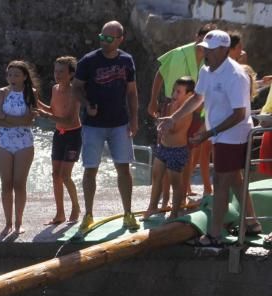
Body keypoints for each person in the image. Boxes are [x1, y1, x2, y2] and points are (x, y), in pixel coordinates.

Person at [159, 29, 256, 246]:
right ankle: (252, 223)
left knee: (221, 181)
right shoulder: (206, 69)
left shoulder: (235, 75)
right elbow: (197, 98)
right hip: (219, 134)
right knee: (236, 180)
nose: (205, 54)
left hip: (233, 135)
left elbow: (239, 113)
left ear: (223, 50)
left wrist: (209, 133)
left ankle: (214, 234)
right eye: (203, 49)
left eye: (210, 51)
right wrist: (173, 118)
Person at [73, 20, 139, 237]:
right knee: (90, 168)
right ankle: (89, 214)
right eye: (102, 36)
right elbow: (77, 88)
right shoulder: (88, 61)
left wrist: (134, 118)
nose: (104, 41)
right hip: (93, 125)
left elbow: (131, 92)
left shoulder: (127, 60)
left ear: (120, 39)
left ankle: (128, 212)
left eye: (109, 38)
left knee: (124, 168)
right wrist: (86, 105)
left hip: (119, 122)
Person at [148, 24, 215, 202]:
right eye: (202, 38)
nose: (204, 43)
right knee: (166, 150)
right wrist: (153, 99)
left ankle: (182, 195)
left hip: (197, 111)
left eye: (208, 40)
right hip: (171, 107)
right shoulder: (179, 52)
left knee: (188, 152)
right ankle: (164, 198)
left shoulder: (210, 60)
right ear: (196, 36)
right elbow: (160, 74)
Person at [0, 60, 39, 235]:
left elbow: (29, 120)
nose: (12, 78)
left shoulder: (30, 92)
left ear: (24, 77)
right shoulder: (2, 92)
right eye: (10, 74)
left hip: (24, 143)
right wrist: (15, 121)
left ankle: (19, 222)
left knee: (19, 184)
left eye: (16, 75)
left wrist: (6, 119)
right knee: (6, 184)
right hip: (4, 142)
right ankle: (8, 222)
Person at [37, 56, 82, 225]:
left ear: (71, 74)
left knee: (65, 175)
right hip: (59, 134)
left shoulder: (75, 92)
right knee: (55, 174)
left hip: (73, 134)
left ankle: (76, 206)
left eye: (62, 72)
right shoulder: (55, 89)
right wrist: (37, 102)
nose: (57, 75)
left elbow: (70, 119)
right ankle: (59, 214)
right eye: (56, 71)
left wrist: (47, 115)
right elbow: (52, 110)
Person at [145, 77, 195, 221]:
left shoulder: (186, 111)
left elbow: (174, 129)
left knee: (176, 183)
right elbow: (163, 123)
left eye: (179, 92)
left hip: (177, 150)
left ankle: (175, 211)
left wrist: (164, 124)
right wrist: (159, 123)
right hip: (163, 147)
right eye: (174, 91)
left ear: (189, 95)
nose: (174, 94)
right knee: (156, 177)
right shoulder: (169, 106)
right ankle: (152, 207)